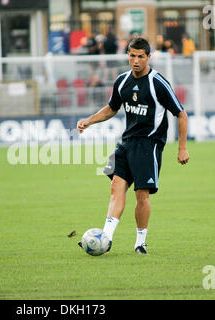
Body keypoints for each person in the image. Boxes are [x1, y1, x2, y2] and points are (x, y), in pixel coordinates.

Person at [77, 37, 189, 255]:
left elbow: (181, 114)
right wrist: (89, 121)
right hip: (127, 143)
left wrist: (182, 148)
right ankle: (106, 238)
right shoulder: (122, 81)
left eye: (140, 56)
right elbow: (111, 108)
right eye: (132, 55)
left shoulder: (158, 82)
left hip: (149, 144)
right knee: (116, 186)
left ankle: (140, 242)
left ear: (148, 57)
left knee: (141, 195)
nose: (136, 60)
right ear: (127, 55)